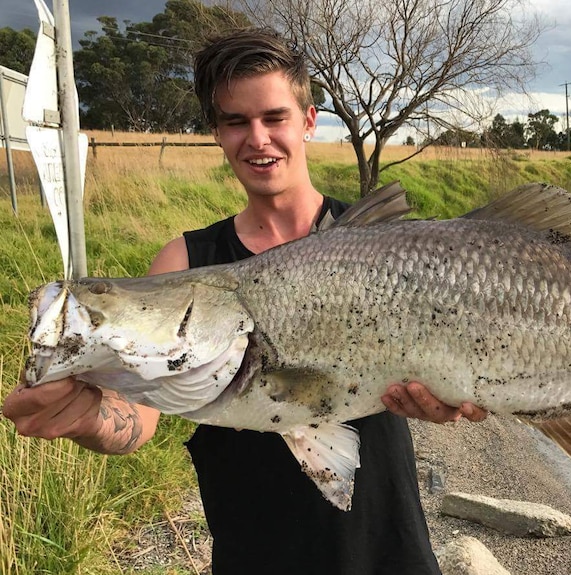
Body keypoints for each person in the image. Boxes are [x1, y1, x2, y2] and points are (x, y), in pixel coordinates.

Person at [2, 27, 485, 574]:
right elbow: (140, 413)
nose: (257, 138)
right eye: (236, 121)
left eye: (273, 117)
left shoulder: (385, 245)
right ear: (216, 132)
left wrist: (456, 391)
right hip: (255, 552)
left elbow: (460, 364)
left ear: (308, 120)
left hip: (388, 547)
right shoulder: (188, 260)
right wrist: (87, 416)